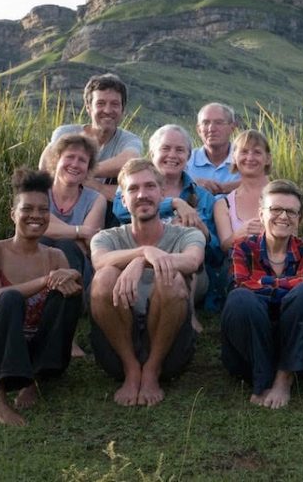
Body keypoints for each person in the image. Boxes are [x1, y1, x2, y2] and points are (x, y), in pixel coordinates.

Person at [89, 159, 205, 407]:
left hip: (168, 348)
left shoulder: (187, 234)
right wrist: (144, 252)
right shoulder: (106, 237)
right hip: (119, 343)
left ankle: (151, 370)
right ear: (122, 200)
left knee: (171, 277)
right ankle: (132, 369)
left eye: (150, 186)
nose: (142, 195)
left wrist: (140, 261)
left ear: (163, 193)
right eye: (133, 189)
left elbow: (192, 261)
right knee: (105, 277)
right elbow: (99, 261)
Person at [0, 168, 83, 426]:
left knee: (68, 292)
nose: (36, 215)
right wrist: (45, 280)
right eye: (27, 209)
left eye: (44, 210)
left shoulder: (54, 256)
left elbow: (72, 289)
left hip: (36, 351)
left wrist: (72, 275)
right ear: (13, 214)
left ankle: (34, 378)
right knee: (8, 298)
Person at [223, 180, 303, 409]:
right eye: (275, 209)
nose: (283, 216)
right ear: (261, 213)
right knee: (240, 299)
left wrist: (263, 286)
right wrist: (286, 291)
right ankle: (261, 381)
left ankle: (284, 378)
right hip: (251, 346)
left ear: (299, 218)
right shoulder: (242, 248)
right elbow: (240, 283)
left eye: (291, 211)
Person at [112, 124, 230, 323]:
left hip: (190, 272)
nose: (172, 155)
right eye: (165, 148)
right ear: (152, 153)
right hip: (139, 268)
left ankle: (188, 315)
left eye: (180, 150)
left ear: (188, 156)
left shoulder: (205, 198)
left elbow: (217, 256)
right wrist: (174, 203)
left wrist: (203, 233)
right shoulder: (132, 187)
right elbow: (119, 209)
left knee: (189, 237)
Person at [40, 73, 143, 201]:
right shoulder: (65, 133)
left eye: (115, 104)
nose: (107, 110)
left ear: (123, 109)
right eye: (100, 103)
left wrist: (87, 178)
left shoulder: (129, 140)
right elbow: (45, 169)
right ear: (88, 108)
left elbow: (130, 162)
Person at [41, 134, 106, 291]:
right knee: (41, 241)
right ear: (56, 160)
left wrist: (51, 228)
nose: (75, 164)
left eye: (82, 160)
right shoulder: (37, 191)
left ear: (88, 168)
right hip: (36, 262)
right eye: (70, 157)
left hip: (76, 269)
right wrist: (80, 231)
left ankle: (69, 298)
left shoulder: (96, 199)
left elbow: (86, 247)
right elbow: (30, 230)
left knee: (67, 245)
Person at [220, 130, 273, 254]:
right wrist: (240, 233)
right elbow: (224, 247)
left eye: (257, 152)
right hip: (238, 270)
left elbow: (293, 239)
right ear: (234, 157)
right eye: (244, 152)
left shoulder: (284, 197)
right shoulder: (224, 204)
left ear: (268, 159)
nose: (250, 158)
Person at [187, 102, 241, 195]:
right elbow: (166, 182)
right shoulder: (186, 160)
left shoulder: (246, 159)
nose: (211, 128)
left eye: (219, 123)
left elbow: (262, 183)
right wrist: (192, 183)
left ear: (232, 128)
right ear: (198, 130)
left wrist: (227, 188)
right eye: (205, 123)